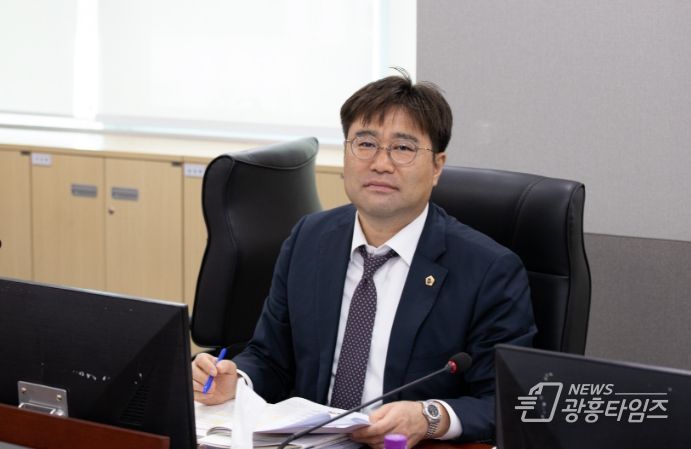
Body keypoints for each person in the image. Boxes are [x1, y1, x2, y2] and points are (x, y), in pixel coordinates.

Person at [192, 70, 536, 447]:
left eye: (402, 148)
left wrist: (428, 417)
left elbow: (505, 401)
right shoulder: (309, 239)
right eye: (366, 143)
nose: (380, 163)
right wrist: (238, 380)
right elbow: (270, 357)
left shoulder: (488, 270)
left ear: (437, 166)